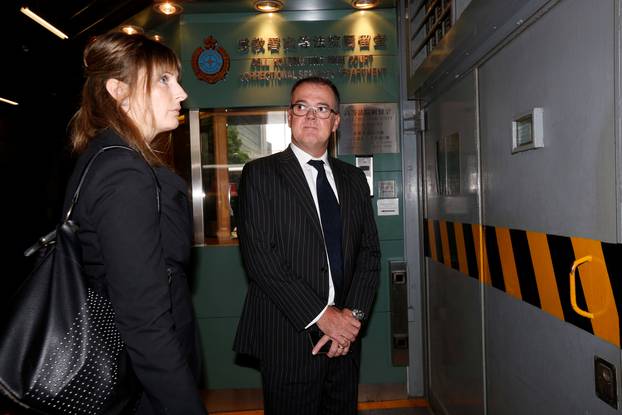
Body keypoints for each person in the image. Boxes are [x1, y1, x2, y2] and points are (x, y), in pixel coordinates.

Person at [63, 32, 207, 414]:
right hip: (142, 387)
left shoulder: (108, 157)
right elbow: (143, 319)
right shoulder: (123, 172)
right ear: (118, 91)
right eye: (164, 80)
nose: (180, 93)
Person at [233, 76, 380, 414]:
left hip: (344, 341)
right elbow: (260, 259)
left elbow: (368, 255)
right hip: (288, 337)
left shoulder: (354, 179)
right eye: (302, 107)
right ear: (290, 116)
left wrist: (349, 322)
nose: (311, 116)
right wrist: (321, 316)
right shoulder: (260, 174)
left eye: (322, 108)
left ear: (336, 121)